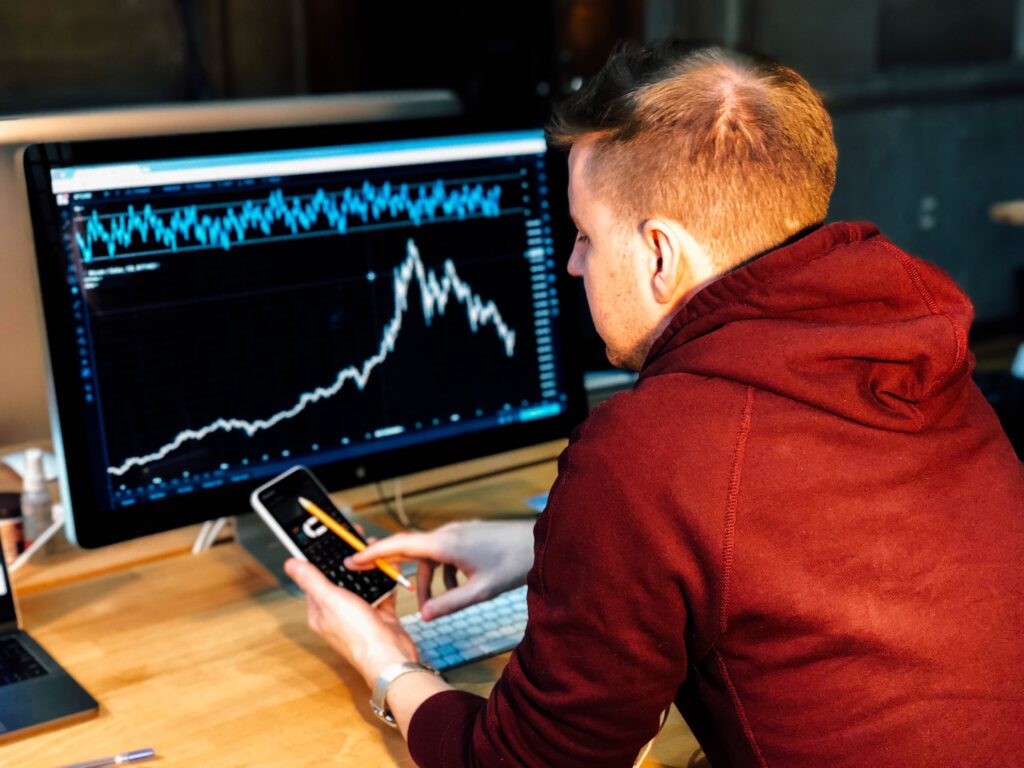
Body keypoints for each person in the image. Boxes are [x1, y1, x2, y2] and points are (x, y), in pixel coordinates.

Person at [285, 41, 1024, 767]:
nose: (573, 263)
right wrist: (548, 547)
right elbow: (792, 539)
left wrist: (384, 661)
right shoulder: (916, 349)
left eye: (585, 235)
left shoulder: (653, 449)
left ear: (660, 255)